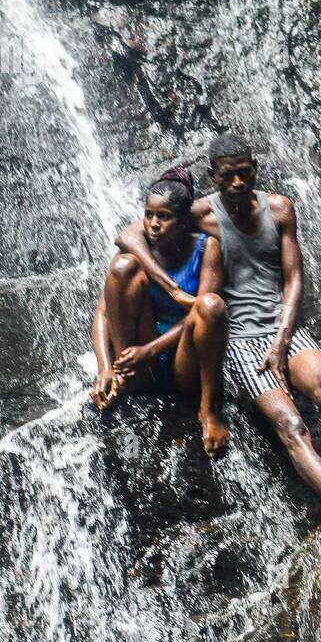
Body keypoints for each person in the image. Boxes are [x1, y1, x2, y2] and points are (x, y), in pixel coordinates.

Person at [116, 136, 321, 537]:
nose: (237, 182)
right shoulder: (199, 214)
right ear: (212, 177)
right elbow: (130, 234)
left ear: (255, 166)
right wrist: (172, 289)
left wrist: (282, 341)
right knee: (290, 422)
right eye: (227, 176)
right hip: (236, 341)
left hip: (282, 330)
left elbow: (294, 279)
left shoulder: (280, 208)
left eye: (243, 172)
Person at [90, 168, 229, 456]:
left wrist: (151, 351)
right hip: (141, 355)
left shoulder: (206, 248)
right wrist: (104, 368)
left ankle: (208, 411)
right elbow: (103, 314)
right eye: (149, 214)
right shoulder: (135, 248)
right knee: (123, 267)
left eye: (164, 217)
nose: (153, 224)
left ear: (183, 222)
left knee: (212, 305)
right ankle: (124, 377)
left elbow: (202, 315)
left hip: (183, 356)